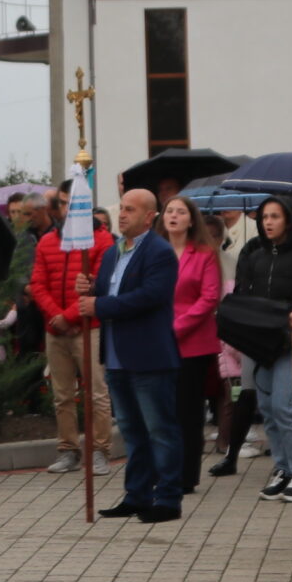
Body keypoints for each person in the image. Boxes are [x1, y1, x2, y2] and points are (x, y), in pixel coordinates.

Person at [80, 188, 182, 522]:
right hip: (116, 356)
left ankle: (167, 498)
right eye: (121, 208)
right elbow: (111, 291)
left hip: (149, 356)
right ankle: (137, 494)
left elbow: (149, 296)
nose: (122, 214)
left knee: (160, 431)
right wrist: (91, 289)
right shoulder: (112, 252)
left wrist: (100, 304)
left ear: (149, 216)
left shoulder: (160, 252)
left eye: (130, 209)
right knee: (132, 432)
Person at [225, 196, 292, 501]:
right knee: (266, 409)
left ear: (289, 219)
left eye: (275, 216)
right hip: (256, 341)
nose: (268, 222)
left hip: (288, 342)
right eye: (264, 217)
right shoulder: (254, 254)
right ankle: (283, 468)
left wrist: (289, 313)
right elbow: (243, 292)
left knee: (284, 407)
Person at [29, 186, 113, 476]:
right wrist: (56, 316)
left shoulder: (102, 240)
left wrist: (69, 316)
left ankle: (100, 450)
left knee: (97, 392)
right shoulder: (47, 242)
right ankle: (68, 449)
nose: (69, 209)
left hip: (89, 327)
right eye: (64, 204)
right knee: (62, 394)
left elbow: (100, 283)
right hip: (56, 329)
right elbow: (37, 284)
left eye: (74, 203)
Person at [164, 198, 222, 496]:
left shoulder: (204, 253)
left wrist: (177, 327)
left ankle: (187, 476)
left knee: (188, 412)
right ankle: (164, 470)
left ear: (191, 220)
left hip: (193, 344)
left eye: (180, 212)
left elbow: (209, 297)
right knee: (163, 411)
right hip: (158, 342)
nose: (174, 216)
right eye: (170, 211)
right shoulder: (154, 252)